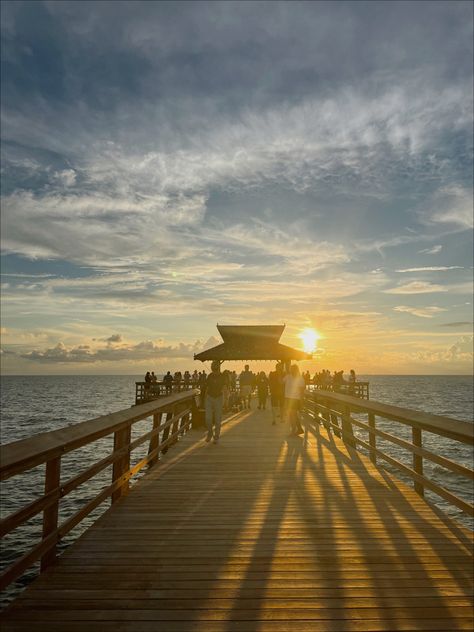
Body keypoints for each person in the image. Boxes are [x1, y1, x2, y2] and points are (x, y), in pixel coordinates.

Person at [205, 360, 227, 444]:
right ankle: (210, 433)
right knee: (208, 418)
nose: (213, 368)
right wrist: (204, 400)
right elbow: (207, 388)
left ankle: (216, 436)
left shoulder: (222, 376)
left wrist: (225, 401)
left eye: (214, 366)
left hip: (219, 398)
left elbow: (225, 389)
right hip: (209, 398)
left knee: (218, 419)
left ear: (217, 367)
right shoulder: (210, 376)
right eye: (212, 366)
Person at [283, 364, 305, 435]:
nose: (291, 371)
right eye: (291, 369)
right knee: (291, 414)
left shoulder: (300, 379)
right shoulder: (288, 376)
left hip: (295, 399)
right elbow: (281, 382)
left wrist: (302, 403)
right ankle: (299, 429)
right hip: (288, 398)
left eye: (293, 369)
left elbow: (302, 392)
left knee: (293, 414)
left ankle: (294, 430)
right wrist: (280, 372)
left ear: (296, 370)